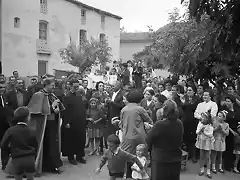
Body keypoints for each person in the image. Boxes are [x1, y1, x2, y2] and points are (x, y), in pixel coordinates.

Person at [27, 77, 64, 175]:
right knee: (42, 146)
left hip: (51, 124)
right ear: (46, 85)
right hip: (42, 126)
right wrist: (52, 107)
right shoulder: (38, 95)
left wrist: (56, 110)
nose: (53, 87)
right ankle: (40, 166)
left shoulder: (52, 95)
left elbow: (54, 109)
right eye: (52, 85)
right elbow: (36, 111)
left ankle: (52, 165)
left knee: (52, 146)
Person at [146, 99, 183, 180]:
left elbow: (148, 139)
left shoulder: (159, 124)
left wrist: (150, 130)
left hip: (161, 159)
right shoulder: (179, 123)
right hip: (175, 158)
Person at [120, 89, 153, 178]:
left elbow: (121, 124)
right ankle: (142, 175)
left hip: (127, 137)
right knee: (142, 157)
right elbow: (149, 121)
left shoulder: (124, 109)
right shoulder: (140, 109)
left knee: (127, 158)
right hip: (139, 137)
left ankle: (128, 175)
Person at [1, 107, 38, 180]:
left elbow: (3, 145)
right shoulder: (32, 131)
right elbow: (36, 146)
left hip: (16, 159)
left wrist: (10, 151)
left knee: (18, 177)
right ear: (28, 118)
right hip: (30, 159)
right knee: (30, 177)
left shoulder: (11, 130)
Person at [61, 79, 87, 165]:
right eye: (75, 86)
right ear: (70, 86)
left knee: (80, 138)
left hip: (80, 121)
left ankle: (80, 156)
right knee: (71, 140)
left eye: (77, 86)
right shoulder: (67, 96)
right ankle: (71, 157)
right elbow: (65, 111)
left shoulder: (79, 95)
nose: (76, 88)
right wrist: (66, 122)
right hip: (71, 122)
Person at [195, 111, 214, 178]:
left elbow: (210, 134)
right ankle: (202, 170)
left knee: (208, 157)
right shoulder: (200, 124)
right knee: (201, 156)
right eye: (202, 117)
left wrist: (204, 132)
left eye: (204, 117)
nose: (202, 118)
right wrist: (200, 130)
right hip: (201, 141)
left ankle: (208, 172)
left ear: (207, 118)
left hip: (208, 142)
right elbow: (197, 132)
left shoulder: (210, 125)